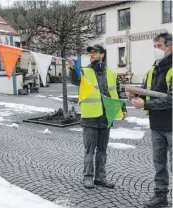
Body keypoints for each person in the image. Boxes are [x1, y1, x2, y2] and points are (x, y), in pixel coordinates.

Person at [68, 44, 127, 189]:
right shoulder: (84, 71)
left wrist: (123, 108)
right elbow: (75, 80)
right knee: (89, 150)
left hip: (106, 117)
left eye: (95, 52)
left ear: (102, 55)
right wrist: (71, 69)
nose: (92, 55)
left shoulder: (112, 74)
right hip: (90, 118)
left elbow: (117, 93)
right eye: (91, 53)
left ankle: (100, 178)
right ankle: (87, 177)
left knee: (102, 150)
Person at [127, 32, 172, 208]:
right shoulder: (154, 68)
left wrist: (144, 105)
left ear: (170, 47)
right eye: (154, 46)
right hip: (157, 125)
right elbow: (148, 90)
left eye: (159, 46)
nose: (156, 49)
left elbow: (171, 98)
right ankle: (160, 197)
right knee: (159, 163)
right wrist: (135, 92)